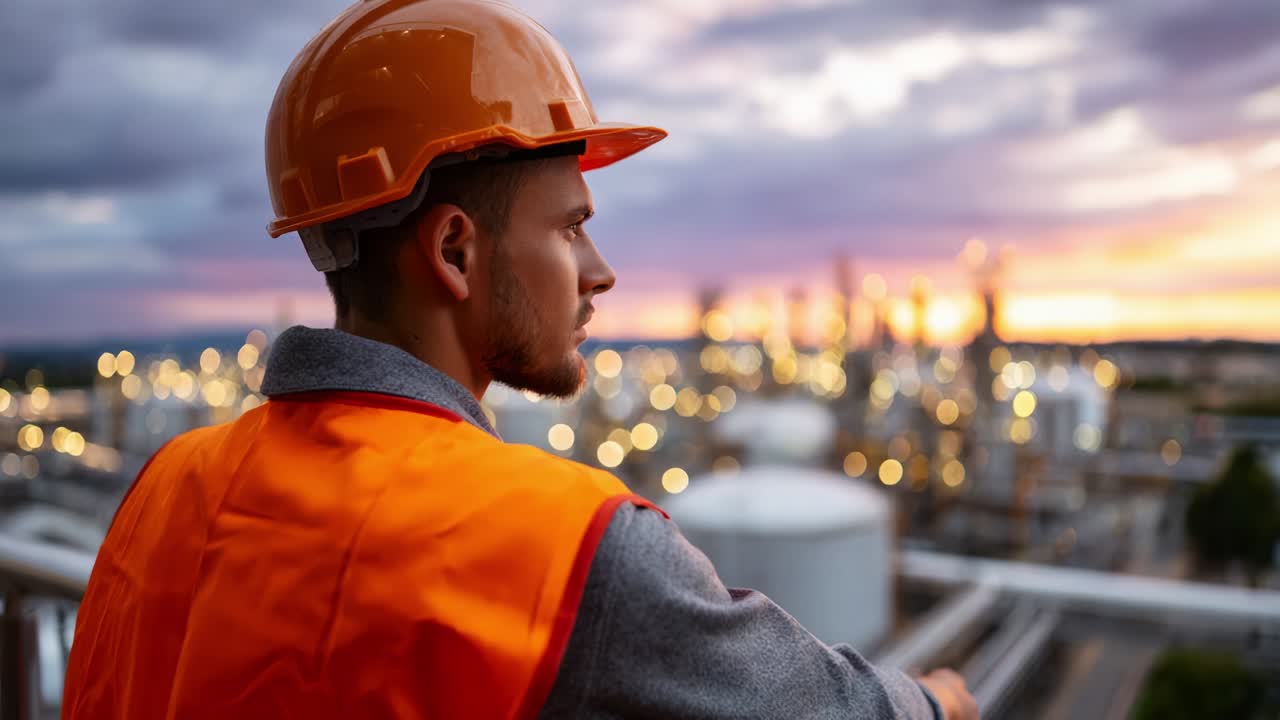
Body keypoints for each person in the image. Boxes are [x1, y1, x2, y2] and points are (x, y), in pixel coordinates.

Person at [61, 1, 978, 718]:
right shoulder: (561, 543)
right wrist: (937, 701)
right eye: (572, 227)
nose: (601, 272)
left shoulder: (167, 490)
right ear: (455, 251)